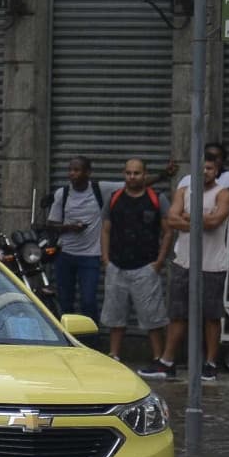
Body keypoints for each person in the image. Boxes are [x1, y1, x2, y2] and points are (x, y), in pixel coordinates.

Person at [143, 156, 229, 382]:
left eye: (210, 168)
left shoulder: (223, 193)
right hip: (183, 261)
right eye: (200, 167)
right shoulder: (184, 190)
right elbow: (172, 220)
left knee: (211, 316)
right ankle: (167, 362)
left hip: (212, 264)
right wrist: (198, 219)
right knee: (177, 314)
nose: (204, 171)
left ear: (217, 171)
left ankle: (211, 363)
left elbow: (215, 222)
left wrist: (186, 217)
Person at [101, 158, 169, 367]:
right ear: (124, 174)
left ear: (145, 174)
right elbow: (105, 229)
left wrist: (159, 262)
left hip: (145, 268)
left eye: (137, 173)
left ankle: (158, 359)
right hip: (117, 267)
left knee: (153, 318)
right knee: (115, 317)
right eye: (129, 173)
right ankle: (114, 356)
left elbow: (168, 232)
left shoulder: (158, 199)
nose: (132, 177)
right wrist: (106, 260)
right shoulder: (114, 198)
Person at [46, 156, 108, 320]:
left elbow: (130, 185)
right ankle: (69, 339)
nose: (72, 174)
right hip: (65, 255)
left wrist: (163, 176)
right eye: (70, 170)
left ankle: (91, 339)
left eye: (76, 170)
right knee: (66, 302)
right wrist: (69, 227)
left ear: (88, 172)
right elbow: (51, 224)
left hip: (91, 256)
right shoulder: (62, 193)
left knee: (88, 301)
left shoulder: (99, 190)